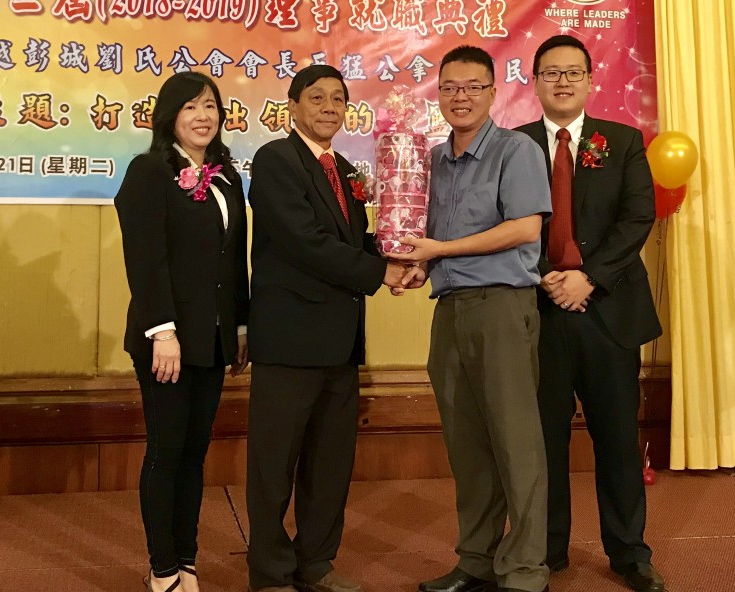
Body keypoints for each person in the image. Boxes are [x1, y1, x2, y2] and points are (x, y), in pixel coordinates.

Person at [390, 45, 551, 592]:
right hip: (450, 309)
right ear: (438, 93)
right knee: (467, 445)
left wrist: (440, 249)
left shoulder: (516, 150)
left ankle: (525, 569)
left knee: (516, 441)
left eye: (472, 87)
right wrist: (418, 265)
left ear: (492, 92)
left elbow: (524, 228)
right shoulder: (432, 160)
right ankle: (476, 560)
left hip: (502, 307)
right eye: (450, 87)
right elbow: (431, 240)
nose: (460, 97)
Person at [245, 64, 407, 592]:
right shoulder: (276, 160)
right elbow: (305, 241)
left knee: (330, 464)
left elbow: (352, 243)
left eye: (338, 99)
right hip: (290, 341)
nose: (329, 108)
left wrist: (401, 255)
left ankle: (316, 562)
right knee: (274, 465)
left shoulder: (344, 168)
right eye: (317, 98)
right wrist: (380, 272)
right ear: (292, 106)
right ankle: (269, 571)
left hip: (341, 341)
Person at [515, 34, 665, 592]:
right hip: (540, 312)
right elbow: (502, 218)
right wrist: (545, 275)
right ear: (534, 81)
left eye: (572, 72)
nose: (562, 81)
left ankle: (629, 553)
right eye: (551, 72)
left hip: (609, 312)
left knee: (618, 441)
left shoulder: (621, 141)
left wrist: (589, 277)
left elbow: (637, 217)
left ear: (590, 80)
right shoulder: (513, 145)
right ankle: (546, 549)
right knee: (543, 441)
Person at [115, 71, 250, 592]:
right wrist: (162, 332)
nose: (203, 116)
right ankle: (163, 569)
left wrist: (239, 326)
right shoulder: (149, 171)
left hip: (212, 339)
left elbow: (233, 260)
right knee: (166, 450)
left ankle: (186, 560)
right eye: (191, 106)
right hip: (166, 341)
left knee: (195, 454)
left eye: (210, 106)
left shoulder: (226, 176)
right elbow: (145, 258)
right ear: (170, 116)